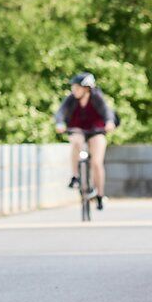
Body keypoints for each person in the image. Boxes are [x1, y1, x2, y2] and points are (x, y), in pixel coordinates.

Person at [53, 72, 116, 209]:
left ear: (87, 88)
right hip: (78, 130)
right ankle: (75, 176)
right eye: (73, 87)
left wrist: (109, 122)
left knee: (96, 162)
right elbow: (61, 112)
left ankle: (100, 195)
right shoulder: (71, 99)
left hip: (96, 131)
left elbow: (107, 112)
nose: (74, 90)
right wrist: (60, 123)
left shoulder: (97, 98)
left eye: (77, 87)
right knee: (76, 141)